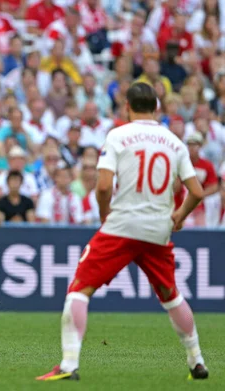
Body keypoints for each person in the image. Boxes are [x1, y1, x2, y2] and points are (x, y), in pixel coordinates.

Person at [37, 83, 208, 381]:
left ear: (127, 107)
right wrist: (179, 217)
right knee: (171, 296)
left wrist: (105, 216)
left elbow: (103, 186)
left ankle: (68, 365)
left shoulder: (118, 135)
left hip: (123, 225)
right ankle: (197, 361)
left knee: (79, 289)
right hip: (158, 228)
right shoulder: (175, 142)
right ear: (156, 108)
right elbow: (197, 191)